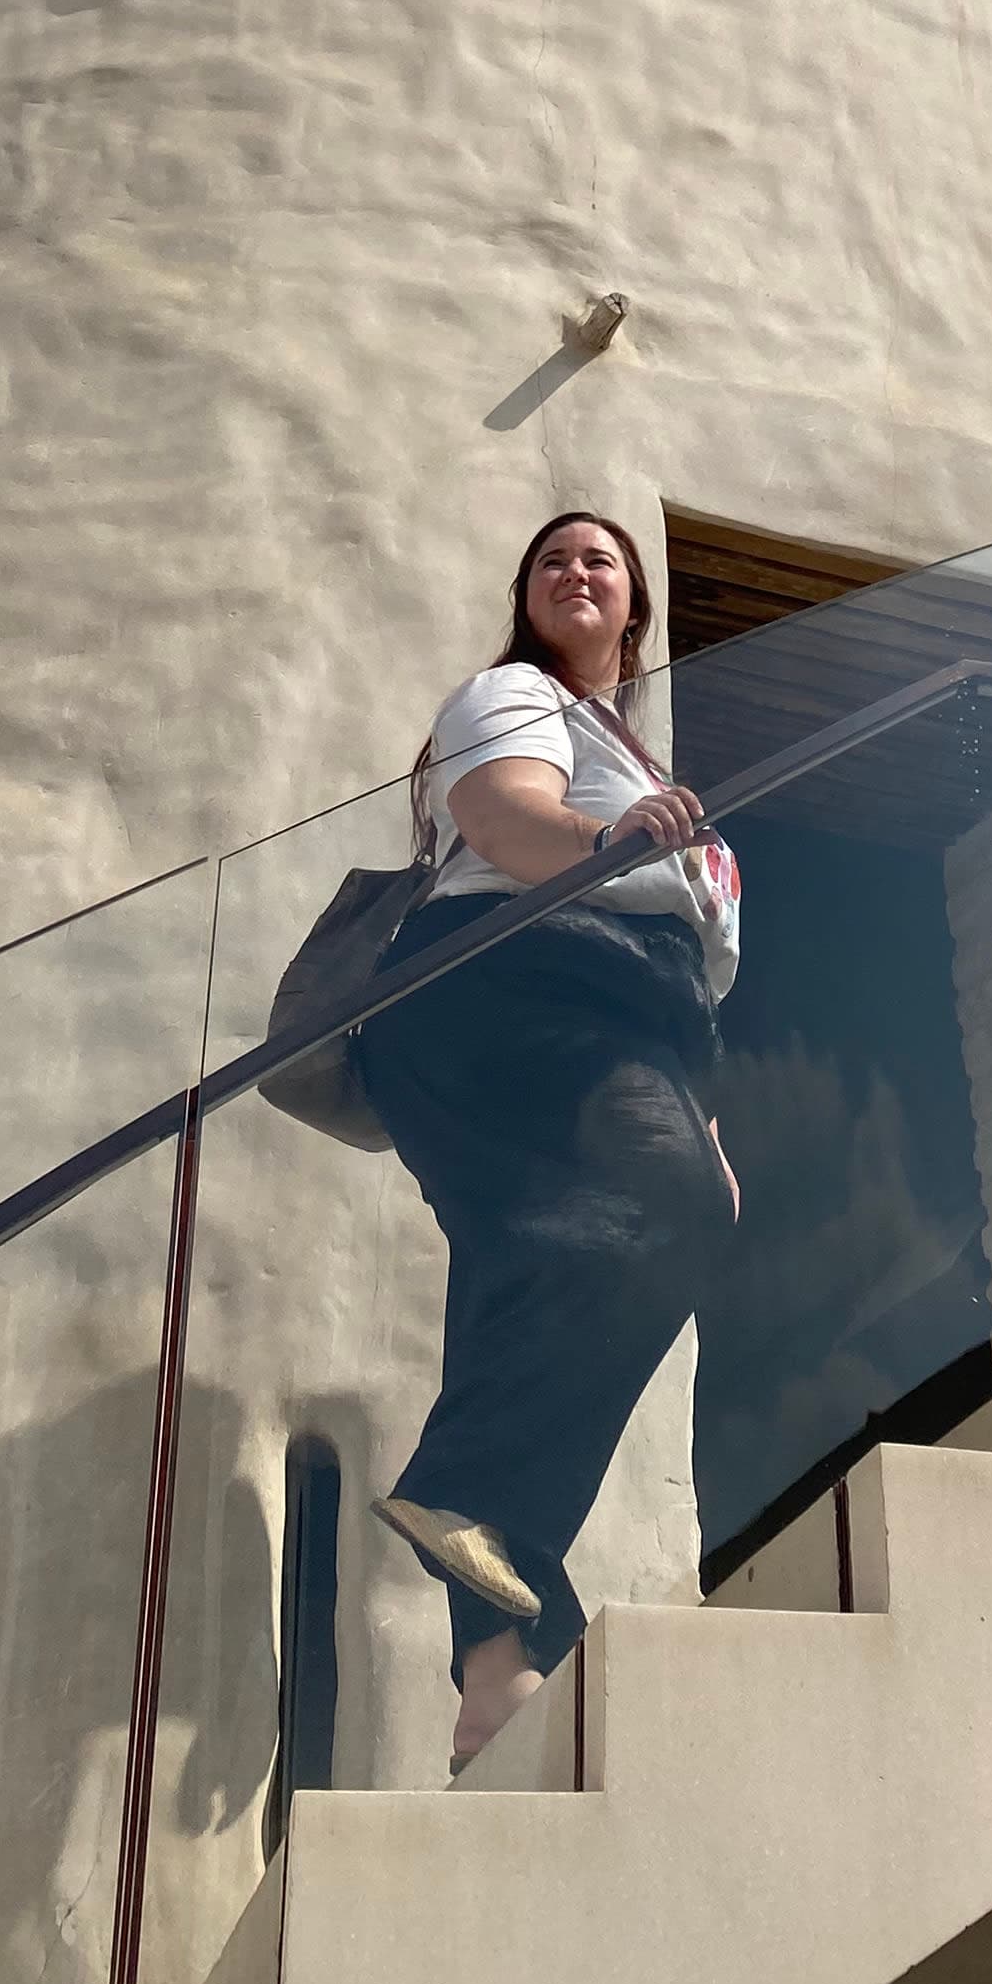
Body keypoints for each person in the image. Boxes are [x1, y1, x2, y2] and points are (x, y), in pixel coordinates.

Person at [361, 509, 743, 1772]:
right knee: (664, 1219)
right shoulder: (514, 696)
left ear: (637, 609)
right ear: (527, 600)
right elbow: (512, 822)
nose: (577, 572)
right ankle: (474, 1493)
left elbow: (688, 974)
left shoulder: (629, 744)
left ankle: (494, 1678)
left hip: (615, 1014)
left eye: (603, 562)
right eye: (552, 561)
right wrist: (610, 840)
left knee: (518, 1295)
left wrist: (703, 1123)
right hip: (514, 983)